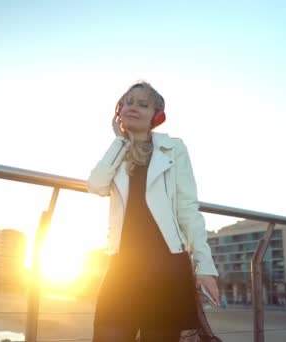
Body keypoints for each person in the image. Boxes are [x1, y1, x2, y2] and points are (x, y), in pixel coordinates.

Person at [87, 81, 220, 341]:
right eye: (127, 102)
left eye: (142, 104)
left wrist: (205, 265)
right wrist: (120, 141)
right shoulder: (119, 152)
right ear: (118, 111)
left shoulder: (174, 148)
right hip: (123, 266)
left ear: (156, 116)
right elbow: (96, 184)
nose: (132, 107)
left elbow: (187, 208)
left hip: (166, 268)